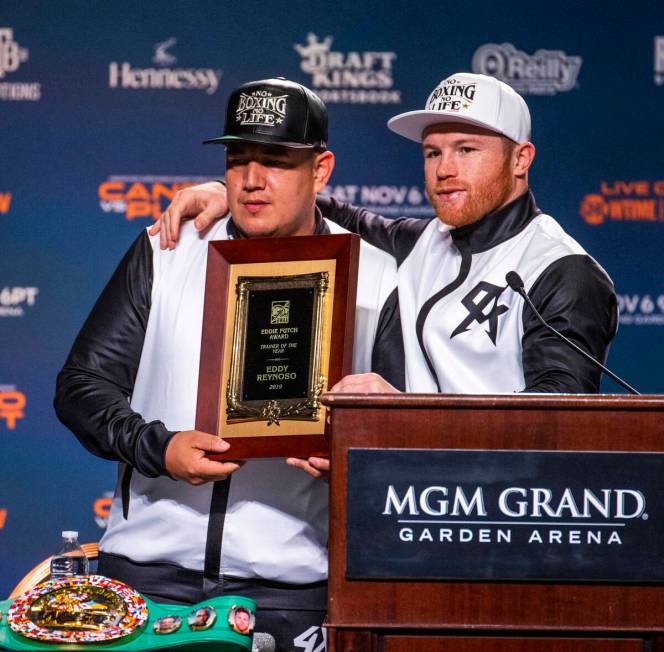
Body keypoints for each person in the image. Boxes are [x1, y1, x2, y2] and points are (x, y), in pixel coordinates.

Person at [54, 77, 402, 652]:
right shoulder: (167, 251)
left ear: (321, 170)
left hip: (291, 586)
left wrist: (351, 452)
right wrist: (157, 447)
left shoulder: (379, 275)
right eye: (237, 160)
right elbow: (81, 387)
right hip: (148, 573)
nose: (251, 180)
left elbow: (403, 440)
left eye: (276, 161)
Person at [155, 72, 618, 394]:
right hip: (412, 507)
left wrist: (400, 414)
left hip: (501, 516)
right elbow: (318, 203)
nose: (446, 170)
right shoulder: (421, 242)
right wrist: (226, 188)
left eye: (467, 149)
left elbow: (558, 424)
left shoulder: (560, 271)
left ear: (521, 160)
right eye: (433, 153)